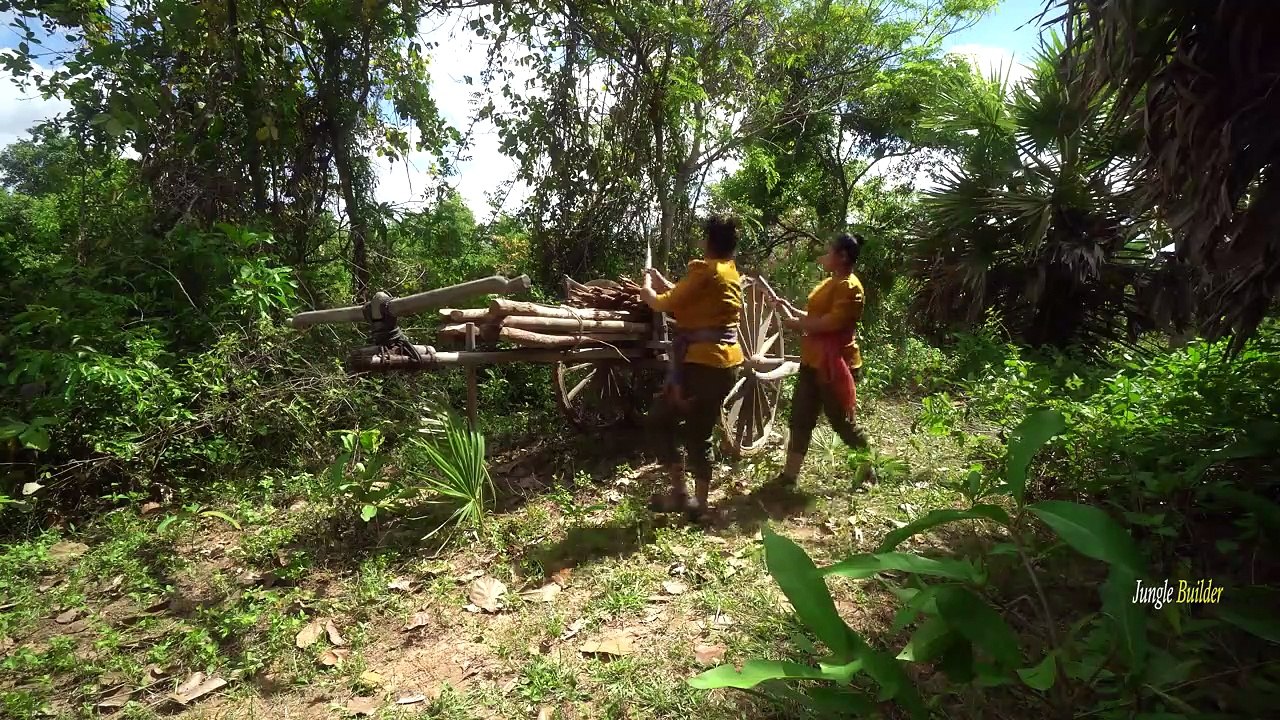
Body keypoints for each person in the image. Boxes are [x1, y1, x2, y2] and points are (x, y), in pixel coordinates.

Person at [639, 215, 744, 520]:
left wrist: (648, 290)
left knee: (665, 421)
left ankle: (688, 497)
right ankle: (694, 501)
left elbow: (661, 303)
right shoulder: (727, 273)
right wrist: (664, 284)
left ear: (709, 241)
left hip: (702, 365)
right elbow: (691, 300)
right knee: (699, 431)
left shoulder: (704, 271)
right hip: (722, 364)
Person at [770, 232, 870, 487]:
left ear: (842, 256)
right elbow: (816, 315)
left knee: (842, 423)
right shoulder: (831, 283)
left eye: (829, 252)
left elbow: (831, 323)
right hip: (813, 361)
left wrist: (798, 323)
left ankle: (869, 469)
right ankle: (789, 476)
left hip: (836, 365)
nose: (823, 256)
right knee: (800, 418)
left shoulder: (849, 286)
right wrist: (792, 310)